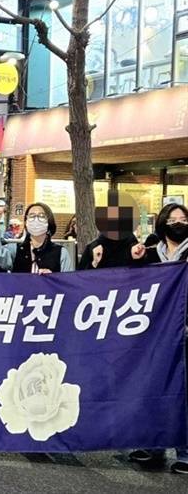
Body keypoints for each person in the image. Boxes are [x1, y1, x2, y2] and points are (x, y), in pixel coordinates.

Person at [129, 203, 188, 474]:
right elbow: (133, 286)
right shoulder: (151, 253)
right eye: (173, 219)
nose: (178, 224)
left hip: (184, 331)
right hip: (155, 333)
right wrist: (135, 259)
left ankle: (185, 451)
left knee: (183, 392)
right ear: (163, 223)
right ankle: (152, 445)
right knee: (153, 387)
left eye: (183, 219)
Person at [0, 203, 74, 273]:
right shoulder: (16, 250)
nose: (36, 219)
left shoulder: (61, 253)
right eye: (31, 216)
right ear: (26, 222)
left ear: (49, 221)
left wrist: (53, 278)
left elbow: (68, 283)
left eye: (41, 216)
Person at [78, 191, 144, 270]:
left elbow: (143, 273)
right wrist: (94, 263)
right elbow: (81, 276)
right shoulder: (93, 248)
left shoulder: (133, 245)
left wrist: (139, 257)